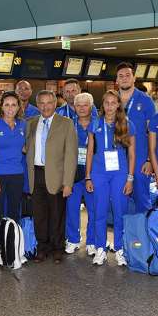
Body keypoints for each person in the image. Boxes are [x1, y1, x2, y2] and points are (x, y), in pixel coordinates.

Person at [24, 90, 77, 263]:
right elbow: (25, 147)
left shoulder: (66, 123)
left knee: (57, 214)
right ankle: (42, 247)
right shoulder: (30, 123)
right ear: (37, 105)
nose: (45, 106)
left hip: (57, 176)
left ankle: (57, 248)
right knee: (39, 214)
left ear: (55, 104)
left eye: (49, 103)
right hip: (36, 174)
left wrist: (68, 183)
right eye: (41, 103)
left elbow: (71, 155)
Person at [85, 90, 136, 266]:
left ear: (118, 105)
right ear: (102, 104)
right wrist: (88, 177)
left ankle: (120, 248)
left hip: (120, 173)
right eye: (106, 102)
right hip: (99, 172)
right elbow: (90, 151)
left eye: (113, 103)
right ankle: (100, 248)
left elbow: (132, 153)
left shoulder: (126, 124)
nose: (109, 106)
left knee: (119, 211)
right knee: (99, 210)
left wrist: (130, 178)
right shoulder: (95, 123)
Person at [0, 91, 26, 267]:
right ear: (1, 106)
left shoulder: (23, 125)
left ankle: (12, 247)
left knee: (15, 212)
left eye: (14, 105)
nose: (10, 108)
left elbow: (24, 148)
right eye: (7, 104)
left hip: (17, 174)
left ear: (19, 107)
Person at [116, 62, 156, 213]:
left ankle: (144, 236)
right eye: (121, 76)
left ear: (134, 78)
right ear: (117, 80)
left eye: (128, 75)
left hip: (140, 159)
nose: (124, 78)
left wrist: (149, 160)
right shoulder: (112, 101)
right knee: (119, 201)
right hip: (117, 159)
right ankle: (124, 236)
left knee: (142, 200)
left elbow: (152, 133)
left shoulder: (145, 101)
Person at [65, 92, 97, 256]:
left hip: (94, 173)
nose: (82, 108)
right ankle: (73, 239)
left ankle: (92, 241)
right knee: (72, 207)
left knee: (94, 208)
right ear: (74, 107)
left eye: (85, 105)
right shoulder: (69, 125)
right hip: (74, 172)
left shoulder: (99, 124)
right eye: (79, 105)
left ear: (91, 107)